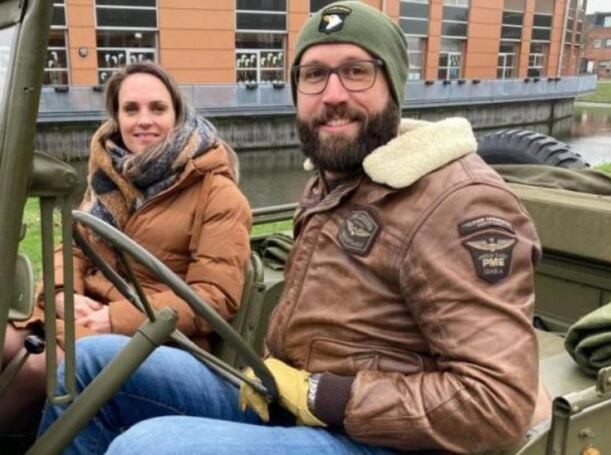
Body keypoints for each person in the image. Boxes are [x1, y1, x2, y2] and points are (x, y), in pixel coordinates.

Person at [39, 2, 551, 453]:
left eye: (356, 71)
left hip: (375, 436)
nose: (332, 94)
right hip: (279, 392)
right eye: (313, 75)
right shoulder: (338, 177)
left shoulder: (456, 202)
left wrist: (320, 396)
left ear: (394, 84)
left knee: (146, 449)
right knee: (88, 367)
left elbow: (498, 402)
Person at [0, 62, 252, 432]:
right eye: (131, 109)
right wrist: (64, 291)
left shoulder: (217, 193)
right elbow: (76, 245)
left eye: (157, 108)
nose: (143, 120)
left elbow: (213, 298)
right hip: (85, 312)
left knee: (35, 369)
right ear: (116, 116)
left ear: (177, 115)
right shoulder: (111, 174)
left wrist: (116, 318)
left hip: (152, 334)